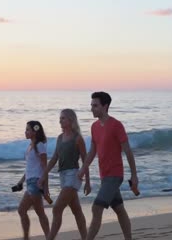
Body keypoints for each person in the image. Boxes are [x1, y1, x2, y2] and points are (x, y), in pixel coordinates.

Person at [78, 91, 139, 240]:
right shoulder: (94, 127)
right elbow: (93, 151)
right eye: (91, 105)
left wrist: (134, 175)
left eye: (95, 105)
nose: (92, 108)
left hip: (115, 175)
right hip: (104, 176)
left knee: (96, 208)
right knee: (119, 208)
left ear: (105, 106)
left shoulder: (116, 125)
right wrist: (83, 169)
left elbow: (128, 151)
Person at [39, 109, 91, 240]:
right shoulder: (60, 138)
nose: (60, 121)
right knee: (76, 210)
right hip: (62, 176)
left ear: (70, 120)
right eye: (60, 118)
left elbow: (85, 161)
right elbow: (55, 158)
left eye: (63, 118)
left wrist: (88, 182)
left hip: (73, 176)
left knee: (57, 209)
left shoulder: (78, 138)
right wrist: (44, 174)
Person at [14, 121, 50, 240]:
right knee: (24, 211)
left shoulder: (40, 145)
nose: (26, 131)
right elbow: (30, 168)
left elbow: (45, 168)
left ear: (35, 131)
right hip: (30, 182)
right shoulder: (30, 146)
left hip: (36, 183)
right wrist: (21, 181)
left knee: (35, 212)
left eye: (28, 129)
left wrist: (46, 189)